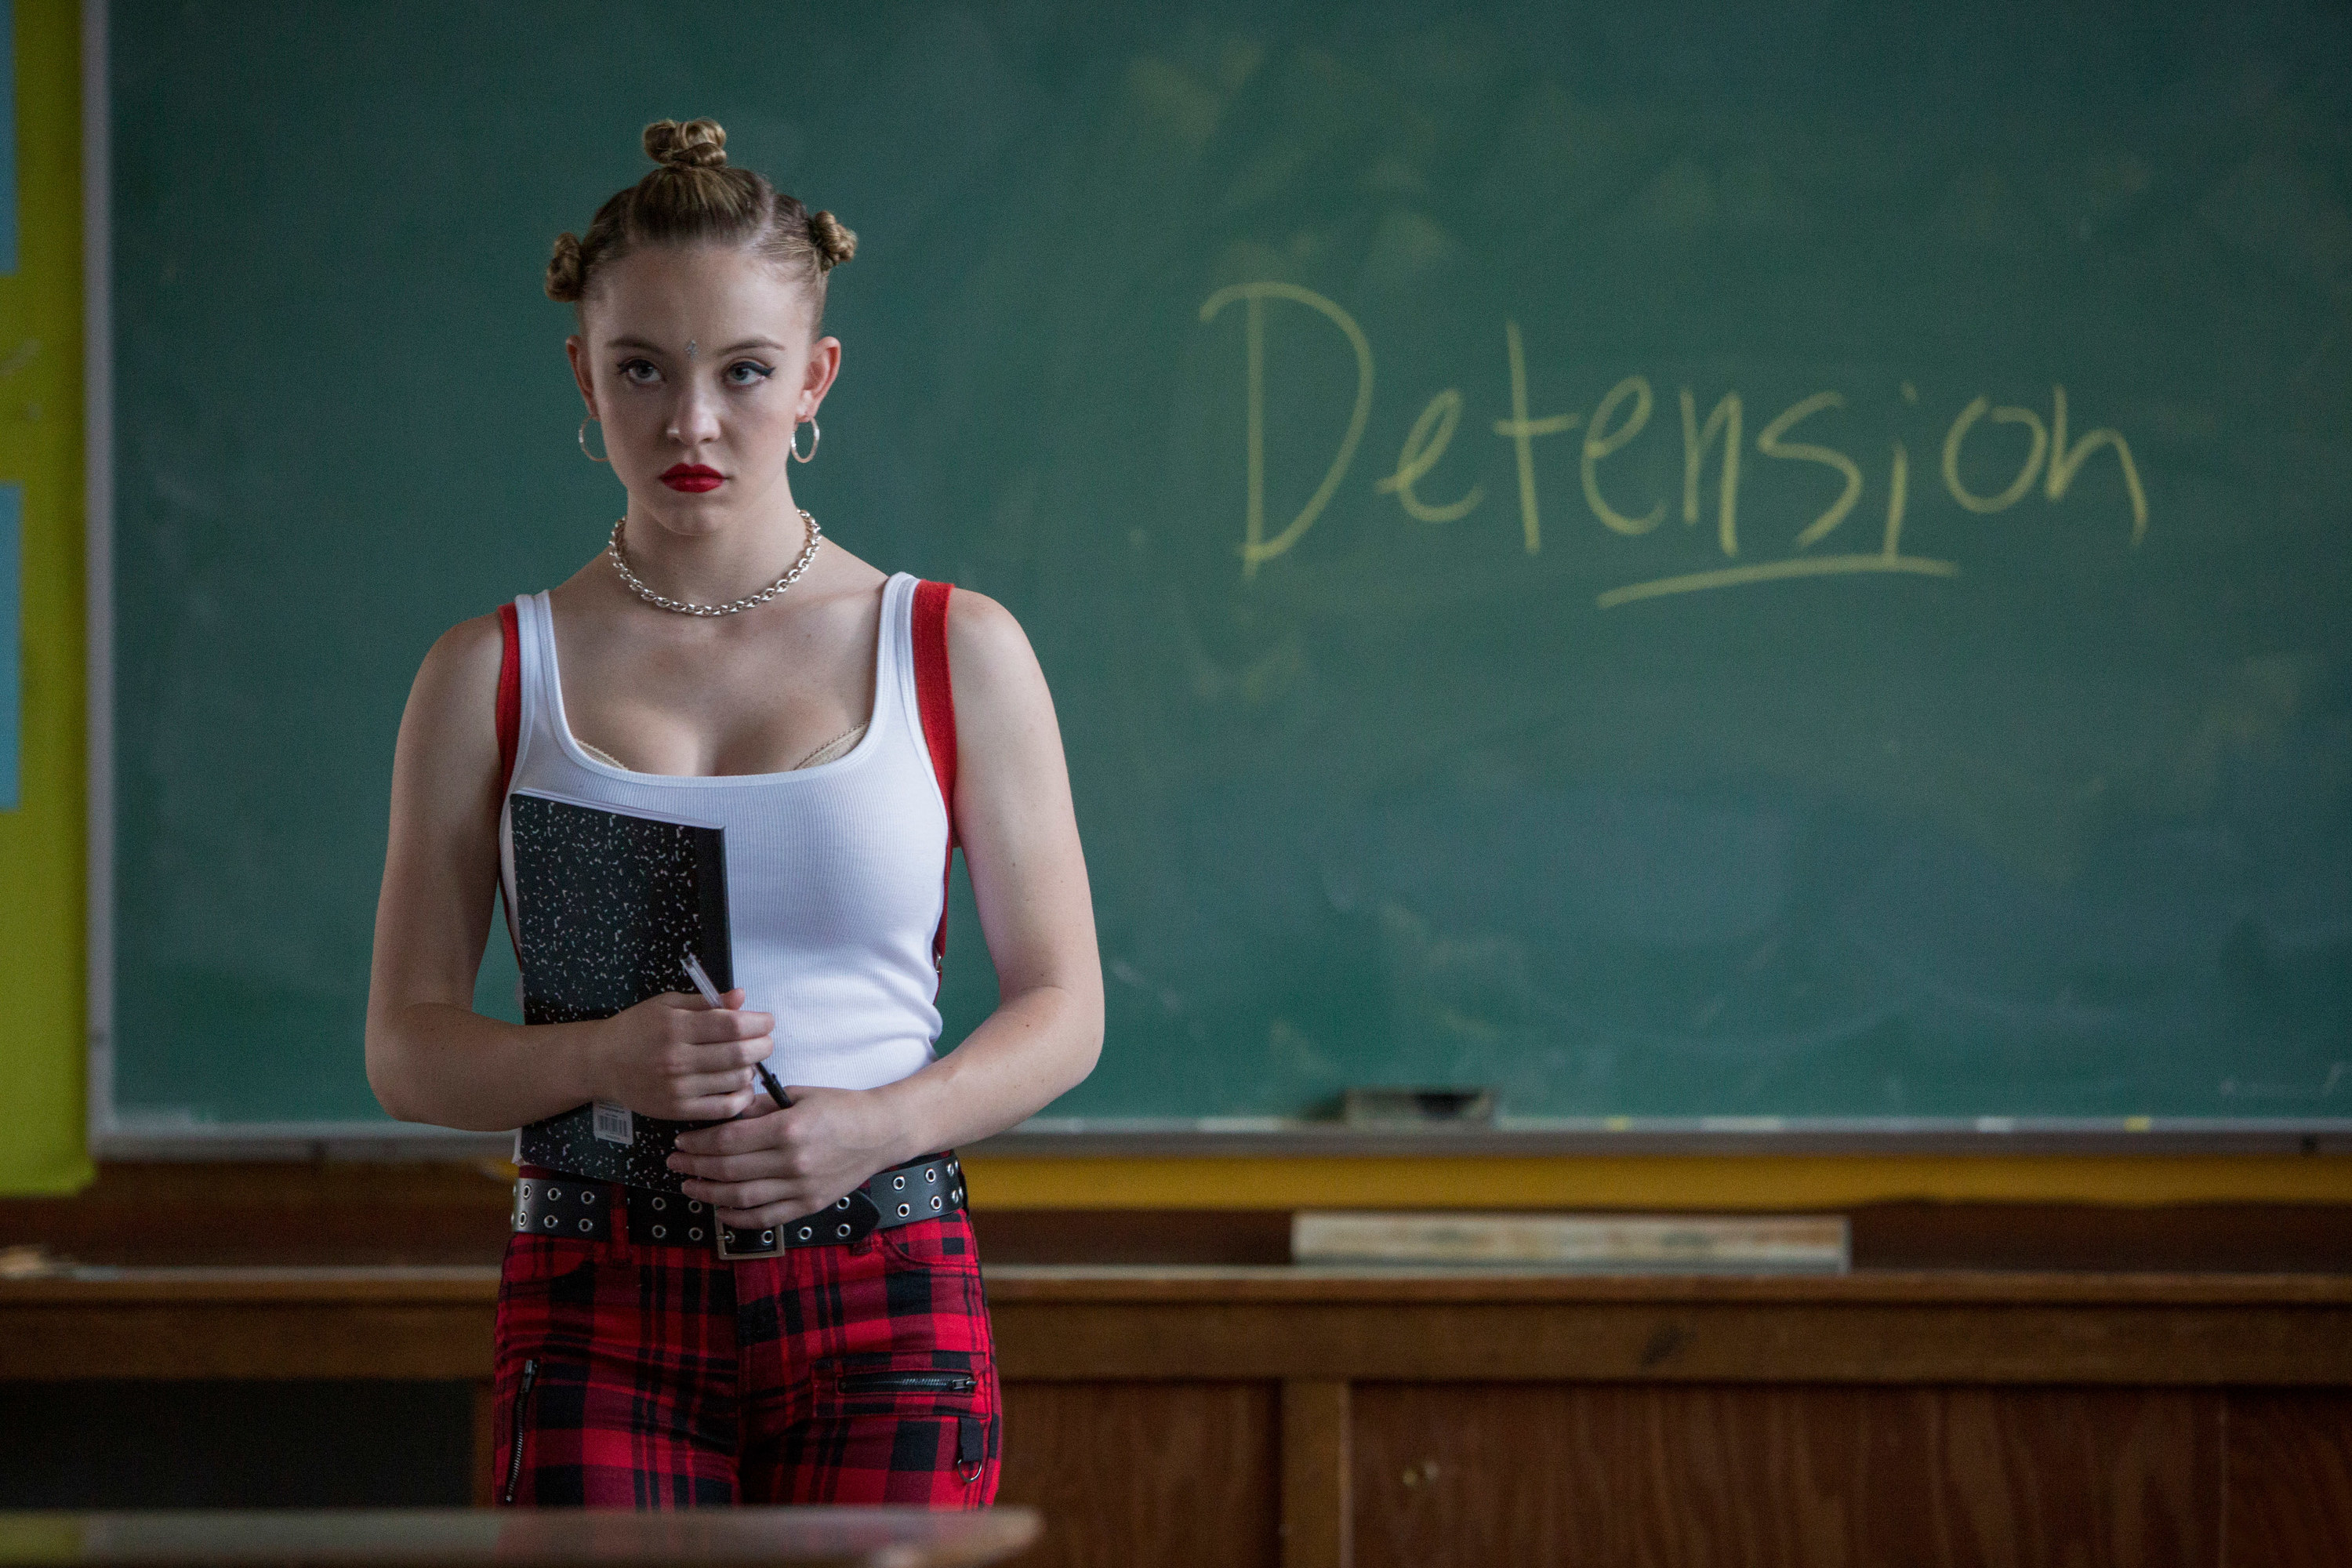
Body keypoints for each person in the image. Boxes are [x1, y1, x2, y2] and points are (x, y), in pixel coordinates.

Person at [364, 118, 1102, 1507]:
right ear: (583, 375)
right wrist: (604, 1060)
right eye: (642, 369)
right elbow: (408, 1052)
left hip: (885, 1284)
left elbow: (1066, 1006)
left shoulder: (952, 645)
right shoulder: (489, 671)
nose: (690, 424)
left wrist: (878, 1125)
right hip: (598, 1294)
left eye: (743, 373)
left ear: (815, 379)